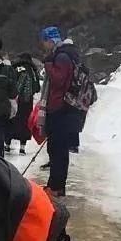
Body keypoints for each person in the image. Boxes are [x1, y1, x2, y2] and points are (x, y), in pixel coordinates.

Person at [37, 26, 86, 198]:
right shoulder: (66, 54)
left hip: (60, 108)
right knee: (57, 149)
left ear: (50, 40)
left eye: (44, 41)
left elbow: (58, 81)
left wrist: (48, 64)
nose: (43, 45)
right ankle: (56, 185)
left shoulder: (62, 56)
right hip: (63, 108)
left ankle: (56, 186)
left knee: (57, 149)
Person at [5, 53, 40, 155]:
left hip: (14, 99)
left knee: (11, 120)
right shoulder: (33, 70)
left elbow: (11, 83)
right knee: (25, 123)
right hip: (27, 101)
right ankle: (22, 148)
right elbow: (37, 87)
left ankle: (7, 145)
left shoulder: (16, 68)